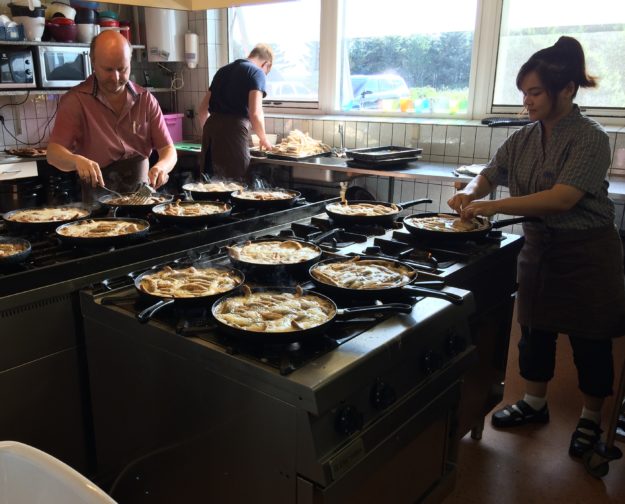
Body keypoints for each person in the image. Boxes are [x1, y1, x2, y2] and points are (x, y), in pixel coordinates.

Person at [448, 36, 625, 459]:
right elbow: (490, 172)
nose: (526, 101)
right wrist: (470, 192)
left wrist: (493, 206)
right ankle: (533, 401)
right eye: (524, 93)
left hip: (586, 252)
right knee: (533, 331)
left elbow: (562, 198)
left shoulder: (591, 138)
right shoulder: (525, 137)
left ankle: (591, 417)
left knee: (591, 340)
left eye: (536, 93)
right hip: (539, 248)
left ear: (567, 90)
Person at [47, 30, 177, 201]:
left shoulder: (146, 100)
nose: (115, 78)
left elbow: (168, 150)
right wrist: (76, 161)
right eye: (108, 69)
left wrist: (162, 167)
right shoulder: (75, 101)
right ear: (93, 62)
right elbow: (53, 153)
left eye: (122, 69)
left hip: (141, 197)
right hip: (97, 199)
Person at [198, 43, 274, 181]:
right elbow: (255, 113)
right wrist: (264, 139)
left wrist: (208, 132)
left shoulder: (223, 70)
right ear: (266, 64)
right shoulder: (257, 73)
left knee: (208, 183)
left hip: (210, 129)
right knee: (234, 183)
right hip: (234, 132)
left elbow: (202, 109)